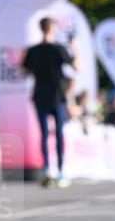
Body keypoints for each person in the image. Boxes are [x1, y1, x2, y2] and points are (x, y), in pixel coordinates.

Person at [21, 17, 80, 186]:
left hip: (40, 96)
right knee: (59, 134)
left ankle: (47, 169)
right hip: (58, 97)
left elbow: (23, 72)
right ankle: (61, 171)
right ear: (52, 29)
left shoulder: (32, 51)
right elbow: (77, 66)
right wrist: (74, 46)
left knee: (44, 135)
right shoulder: (59, 49)